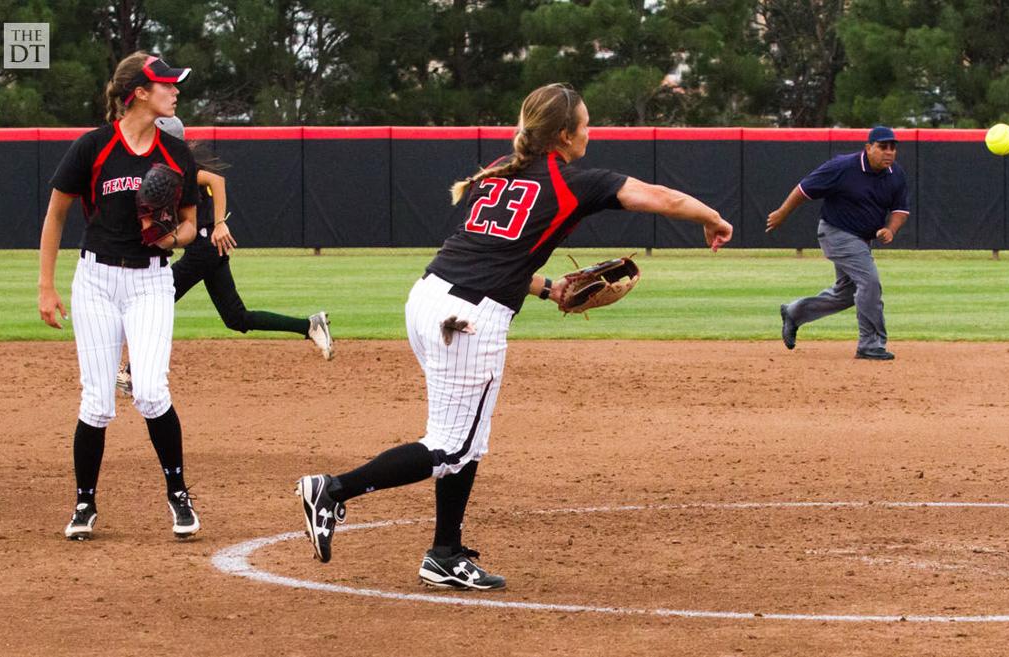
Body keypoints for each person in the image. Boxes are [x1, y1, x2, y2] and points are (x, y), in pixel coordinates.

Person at [295, 82, 733, 590]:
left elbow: (495, 256)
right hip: (469, 318)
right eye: (586, 125)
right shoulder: (576, 183)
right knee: (450, 447)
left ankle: (445, 553)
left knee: (468, 440)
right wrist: (714, 218)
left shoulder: (497, 177)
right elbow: (662, 197)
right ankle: (332, 489)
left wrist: (550, 289)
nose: (591, 133)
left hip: (430, 298)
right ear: (565, 136)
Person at [37, 52, 202, 541]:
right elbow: (55, 216)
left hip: (151, 281)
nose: (175, 91)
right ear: (139, 94)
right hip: (96, 283)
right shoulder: (93, 147)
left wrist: (171, 238)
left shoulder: (176, 153)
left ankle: (178, 495)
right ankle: (84, 503)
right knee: (97, 401)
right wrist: (46, 286)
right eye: (166, 85)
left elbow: (193, 225)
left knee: (150, 391)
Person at [114, 118, 333, 397]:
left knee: (157, 302)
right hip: (206, 248)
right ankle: (309, 325)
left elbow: (217, 179)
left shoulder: (179, 164)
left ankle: (132, 374)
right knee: (236, 317)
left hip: (205, 245)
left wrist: (220, 223)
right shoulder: (167, 165)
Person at [766, 126, 910, 360]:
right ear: (868, 148)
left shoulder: (896, 174)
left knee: (847, 293)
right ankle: (870, 344)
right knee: (869, 282)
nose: (889, 152)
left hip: (861, 239)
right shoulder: (842, 167)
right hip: (836, 233)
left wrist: (890, 229)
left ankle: (795, 312)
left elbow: (900, 210)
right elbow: (804, 189)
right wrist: (782, 213)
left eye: (893, 148)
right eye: (883, 147)